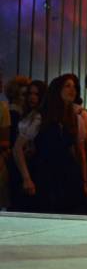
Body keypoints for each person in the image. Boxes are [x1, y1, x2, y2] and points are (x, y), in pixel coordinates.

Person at [13, 74, 87, 213]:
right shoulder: (41, 116)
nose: (72, 90)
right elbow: (17, 148)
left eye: (74, 87)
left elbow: (80, 151)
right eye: (67, 86)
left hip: (69, 175)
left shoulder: (75, 117)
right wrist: (26, 178)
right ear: (57, 90)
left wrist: (84, 181)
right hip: (46, 175)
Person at [9, 80, 46, 211]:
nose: (32, 97)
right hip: (20, 165)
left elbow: (18, 147)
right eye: (30, 93)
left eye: (36, 94)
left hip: (29, 167)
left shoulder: (39, 116)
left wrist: (27, 178)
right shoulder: (28, 114)